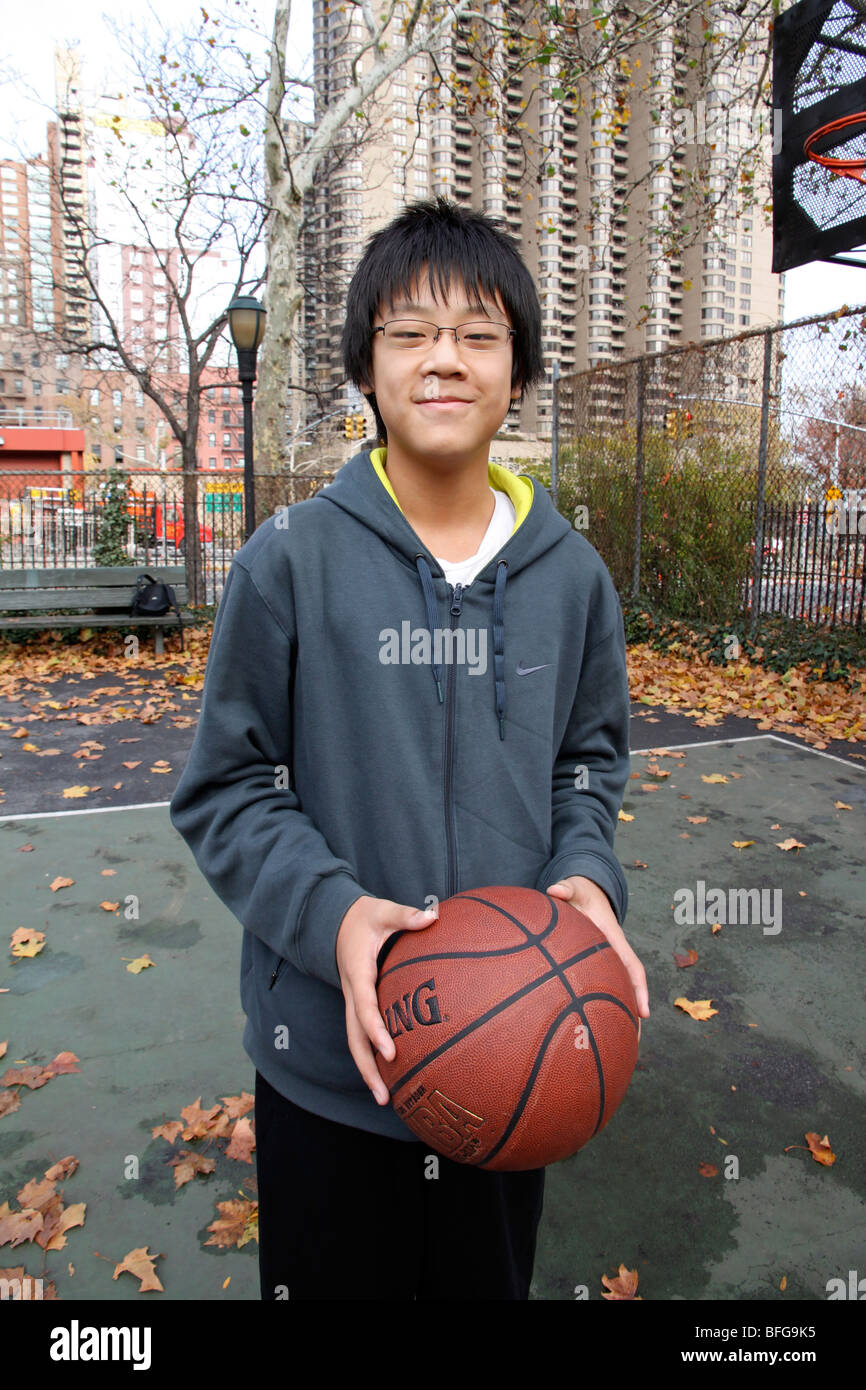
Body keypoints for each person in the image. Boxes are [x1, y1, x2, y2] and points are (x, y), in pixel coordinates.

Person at [169, 195, 649, 1301]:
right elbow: (230, 787)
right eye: (409, 333)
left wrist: (585, 870)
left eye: (477, 334)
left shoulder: (570, 577)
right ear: (365, 368)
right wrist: (331, 912)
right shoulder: (287, 563)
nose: (444, 360)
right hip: (329, 1068)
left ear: (517, 373)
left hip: (513, 1049)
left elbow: (588, 763)